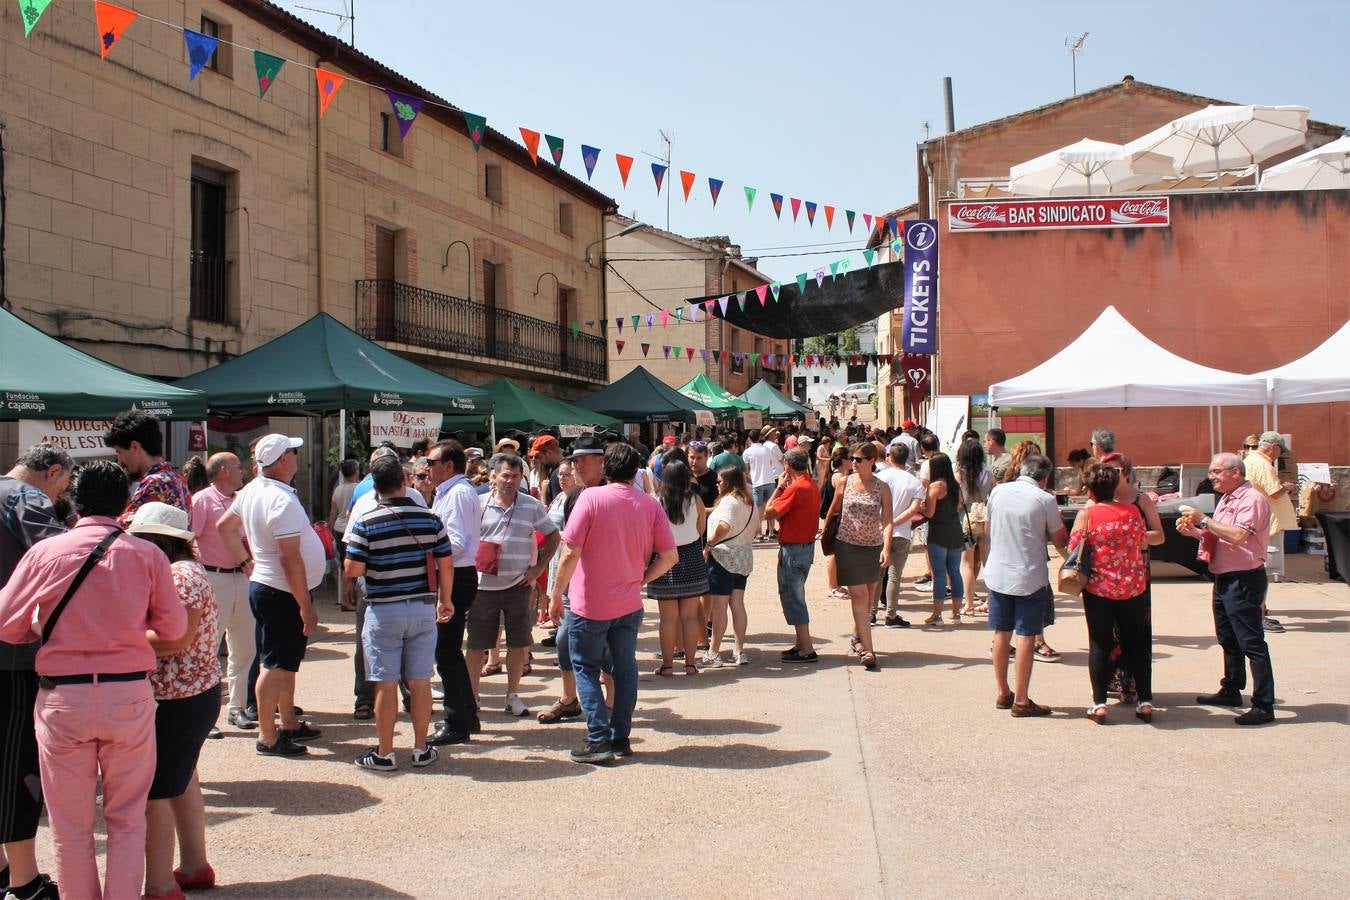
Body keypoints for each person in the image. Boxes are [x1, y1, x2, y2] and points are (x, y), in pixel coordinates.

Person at [0, 461, 186, 900]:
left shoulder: (46, 553)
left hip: (64, 697)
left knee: (70, 827)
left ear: (74, 502)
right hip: (127, 694)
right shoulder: (148, 555)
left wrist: (41, 629)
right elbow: (175, 628)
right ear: (125, 504)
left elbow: (6, 623)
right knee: (126, 820)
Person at [549, 443, 677, 764]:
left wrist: (555, 593)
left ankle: (598, 738)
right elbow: (670, 557)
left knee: (586, 668)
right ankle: (620, 736)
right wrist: (642, 579)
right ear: (636, 470)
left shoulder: (590, 498)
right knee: (625, 670)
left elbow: (570, 552)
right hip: (628, 603)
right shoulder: (649, 505)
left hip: (589, 604)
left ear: (607, 468)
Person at [128, 503, 221, 900]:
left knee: (157, 791)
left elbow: (176, 638)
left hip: (178, 698)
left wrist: (114, 638)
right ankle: (195, 866)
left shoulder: (180, 576)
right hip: (189, 695)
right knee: (181, 780)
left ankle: (161, 885)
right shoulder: (184, 571)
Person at [343, 455, 455, 772]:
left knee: (385, 683)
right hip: (422, 608)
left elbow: (353, 568)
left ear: (375, 488)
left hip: (383, 609)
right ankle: (421, 748)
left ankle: (385, 752)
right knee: (421, 682)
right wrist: (445, 599)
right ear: (404, 482)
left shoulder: (367, 520)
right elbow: (445, 562)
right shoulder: (430, 518)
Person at [217, 434, 326, 756]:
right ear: (282, 460)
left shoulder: (254, 490)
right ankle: (268, 735)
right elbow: (289, 557)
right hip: (281, 590)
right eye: (293, 452)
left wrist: (246, 561)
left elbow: (224, 526)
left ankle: (287, 721)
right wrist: (305, 605)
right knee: (275, 664)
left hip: (268, 586)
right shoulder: (281, 499)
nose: (296, 457)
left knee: (283, 661)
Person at [0, 444, 72, 900]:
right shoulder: (26, 499)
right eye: (63, 485)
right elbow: (63, 559)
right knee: (17, 768)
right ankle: (24, 884)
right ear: (51, 473)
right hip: (14, 655)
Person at [1178, 454, 1277, 726]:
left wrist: (1204, 520)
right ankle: (1231, 689)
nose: (1212, 476)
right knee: (1228, 639)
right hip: (1224, 578)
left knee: (1252, 643)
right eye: (1211, 471)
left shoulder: (1252, 499)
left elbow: (1238, 535)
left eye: (1217, 471)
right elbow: (1222, 538)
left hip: (1244, 579)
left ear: (1236, 472)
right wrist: (1195, 533)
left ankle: (1264, 704)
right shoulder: (1227, 498)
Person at [467, 453, 558, 718]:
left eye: (515, 477)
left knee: (518, 644)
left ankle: (512, 695)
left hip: (518, 587)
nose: (510, 481)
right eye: (505, 475)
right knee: (476, 645)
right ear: (493, 477)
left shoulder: (531, 505)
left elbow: (553, 536)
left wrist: (538, 569)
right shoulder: (476, 503)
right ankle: (473, 696)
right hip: (482, 587)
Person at [984, 455, 1068, 717]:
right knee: (1026, 636)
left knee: (1001, 633)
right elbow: (1060, 539)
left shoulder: (998, 492)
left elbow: (988, 529)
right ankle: (1021, 699)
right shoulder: (1045, 499)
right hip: (1029, 576)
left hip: (998, 572)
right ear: (1044, 478)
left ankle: (1003, 691)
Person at [1068, 464, 1152, 724]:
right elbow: (1142, 541)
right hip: (1132, 585)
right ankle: (1145, 700)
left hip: (1098, 588)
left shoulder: (1087, 515)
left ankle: (1099, 703)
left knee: (1100, 644)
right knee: (1137, 643)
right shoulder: (1132, 511)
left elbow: (1074, 547)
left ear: (1090, 489)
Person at [342, 448, 420, 720]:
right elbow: (351, 551)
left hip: (408, 584)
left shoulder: (416, 498)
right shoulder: (363, 503)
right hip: (373, 585)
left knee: (407, 643)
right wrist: (349, 584)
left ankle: (409, 693)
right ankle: (364, 697)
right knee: (367, 642)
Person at [537, 435, 609, 726]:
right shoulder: (567, 498)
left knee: (606, 648)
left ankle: (610, 706)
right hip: (569, 582)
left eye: (582, 461)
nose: (572, 471)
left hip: (599, 584)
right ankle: (569, 699)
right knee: (566, 641)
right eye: (568, 468)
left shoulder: (607, 494)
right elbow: (562, 542)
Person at [188, 452, 256, 733]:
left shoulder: (242, 499)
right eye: (239, 467)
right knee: (209, 646)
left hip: (243, 577)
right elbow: (191, 538)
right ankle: (208, 715)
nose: (243, 472)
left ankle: (237, 707)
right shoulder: (202, 500)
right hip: (214, 577)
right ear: (224, 470)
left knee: (245, 646)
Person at [424, 440, 484, 745]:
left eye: (431, 463)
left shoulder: (458, 493)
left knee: (446, 651)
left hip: (454, 575)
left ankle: (458, 719)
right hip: (452, 573)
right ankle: (465, 713)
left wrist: (426, 553)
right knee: (446, 650)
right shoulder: (449, 492)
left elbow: (457, 542)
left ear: (449, 465)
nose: (427, 468)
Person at [823, 441, 892, 670]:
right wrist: (824, 534)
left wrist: (887, 547)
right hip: (848, 546)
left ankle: (857, 637)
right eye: (852, 458)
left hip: (872, 546)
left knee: (870, 598)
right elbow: (833, 510)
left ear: (872, 461)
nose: (853, 462)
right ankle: (868, 649)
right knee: (860, 596)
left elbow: (888, 520)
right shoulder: (845, 482)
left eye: (859, 459)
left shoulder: (882, 487)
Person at [650, 460, 709, 675]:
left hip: (665, 558)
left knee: (667, 618)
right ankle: (691, 664)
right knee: (690, 616)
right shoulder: (696, 500)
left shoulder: (657, 501)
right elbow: (701, 528)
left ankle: (667, 665)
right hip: (692, 556)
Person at [765, 450, 822, 663]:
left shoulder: (796, 488)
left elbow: (769, 512)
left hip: (794, 548)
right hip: (804, 546)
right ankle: (801, 644)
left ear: (788, 465)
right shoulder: (810, 485)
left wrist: (779, 487)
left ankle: (806, 647)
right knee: (795, 595)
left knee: (793, 597)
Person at [703, 466, 756, 668]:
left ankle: (713, 652)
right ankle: (739, 651)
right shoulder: (748, 502)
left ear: (729, 482)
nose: (717, 485)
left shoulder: (728, 502)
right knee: (738, 605)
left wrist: (710, 544)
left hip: (723, 557)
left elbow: (724, 526)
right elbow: (757, 529)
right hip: (743, 558)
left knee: (719, 608)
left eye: (720, 481)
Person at [104, 409, 191, 523]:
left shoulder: (155, 483)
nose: (119, 461)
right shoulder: (179, 480)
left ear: (135, 447)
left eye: (119, 452)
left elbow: (124, 530)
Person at [1245, 431, 1298, 616]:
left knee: (1260, 567)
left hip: (1262, 521)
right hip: (1269, 523)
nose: (1280, 455)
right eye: (1280, 450)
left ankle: (1259, 607)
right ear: (1273, 447)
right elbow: (1274, 492)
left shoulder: (1252, 461)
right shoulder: (1262, 464)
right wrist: (1288, 486)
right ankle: (1260, 610)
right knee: (1265, 569)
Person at [874, 442, 924, 628]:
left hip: (879, 531)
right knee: (895, 576)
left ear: (889, 457)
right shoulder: (913, 481)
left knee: (877, 575)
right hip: (902, 532)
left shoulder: (879, 477)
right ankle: (891, 614)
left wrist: (886, 523)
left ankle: (872, 614)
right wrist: (895, 522)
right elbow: (914, 509)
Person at [921, 453, 966, 625]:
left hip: (938, 532)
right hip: (955, 531)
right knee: (954, 572)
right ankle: (956, 614)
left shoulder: (935, 487)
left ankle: (937, 614)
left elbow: (930, 513)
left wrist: (920, 508)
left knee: (939, 574)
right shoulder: (955, 485)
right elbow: (960, 506)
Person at [956, 438, 993, 618]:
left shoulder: (960, 474)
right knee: (988, 562)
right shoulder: (988, 472)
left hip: (967, 519)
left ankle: (969, 605)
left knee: (967, 564)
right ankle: (990, 601)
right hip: (985, 518)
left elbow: (958, 501)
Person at [744, 428, 785, 542]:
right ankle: (771, 532)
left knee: (758, 509)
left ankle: (759, 534)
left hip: (757, 482)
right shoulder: (767, 449)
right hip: (770, 480)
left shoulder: (747, 452)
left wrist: (750, 478)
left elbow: (746, 469)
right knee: (770, 506)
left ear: (750, 439)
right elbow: (772, 462)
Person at [688, 441, 719, 509]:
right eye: (692, 457)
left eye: (699, 458)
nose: (694, 462)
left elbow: (719, 508)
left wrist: (698, 511)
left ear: (706, 458)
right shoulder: (683, 476)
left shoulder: (715, 478)